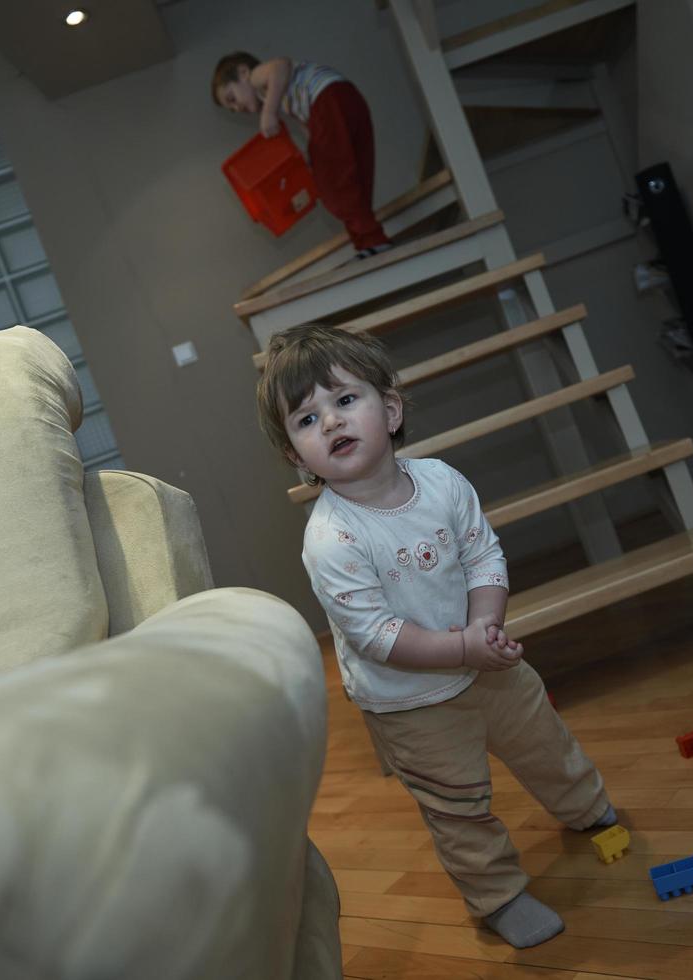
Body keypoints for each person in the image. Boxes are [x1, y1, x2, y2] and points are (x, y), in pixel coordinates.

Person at [255, 324, 617, 948]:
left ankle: (588, 808)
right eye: (307, 419)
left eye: (345, 401)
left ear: (390, 410)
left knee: (545, 742)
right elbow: (377, 634)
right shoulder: (331, 539)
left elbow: (483, 557)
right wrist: (462, 648)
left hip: (489, 663)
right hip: (409, 703)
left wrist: (484, 628)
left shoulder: (444, 484)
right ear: (294, 454)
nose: (332, 424)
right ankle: (499, 897)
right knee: (458, 806)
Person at [212, 52, 392, 258]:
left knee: (332, 186)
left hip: (327, 100)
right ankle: (367, 242)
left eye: (232, 98)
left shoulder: (256, 78)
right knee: (356, 175)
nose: (237, 108)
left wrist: (268, 112)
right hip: (347, 98)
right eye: (232, 109)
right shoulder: (279, 97)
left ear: (243, 72)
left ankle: (371, 238)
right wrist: (312, 152)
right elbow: (306, 121)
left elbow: (281, 66)